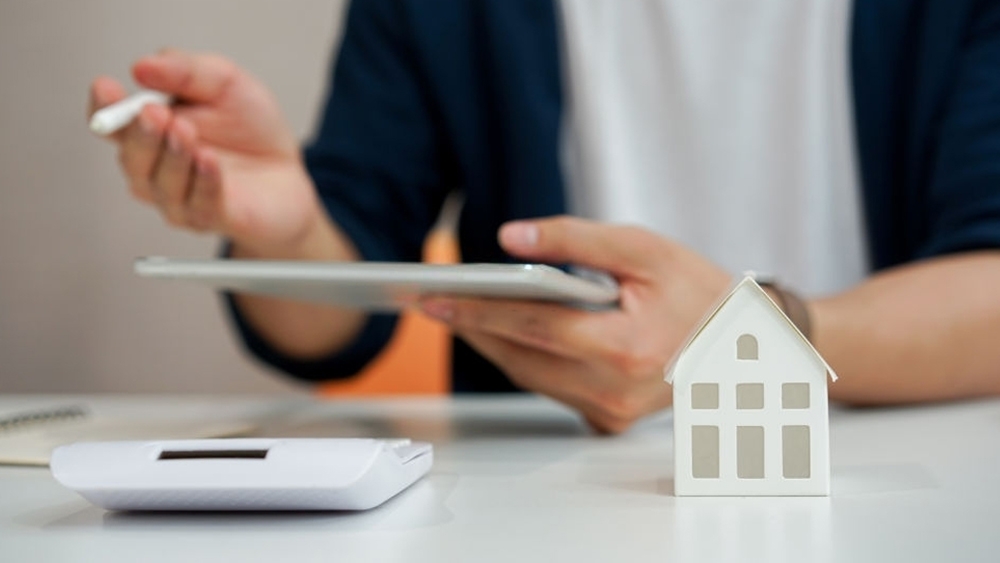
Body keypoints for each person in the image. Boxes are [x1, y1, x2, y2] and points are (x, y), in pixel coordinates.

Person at [89, 0, 1000, 434]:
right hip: (540, 488)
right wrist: (286, 236)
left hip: (894, 463)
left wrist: (753, 339)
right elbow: (329, 332)